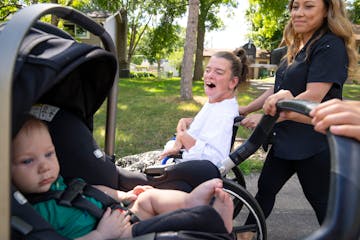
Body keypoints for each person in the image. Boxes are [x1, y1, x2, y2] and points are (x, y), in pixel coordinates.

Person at [238, 0, 358, 239]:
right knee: (265, 191)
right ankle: (246, 235)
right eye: (295, 6)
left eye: (308, 6)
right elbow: (277, 89)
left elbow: (312, 98)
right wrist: (247, 109)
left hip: (313, 143)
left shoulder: (329, 45)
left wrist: (266, 118)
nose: (298, 13)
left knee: (323, 205)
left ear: (326, 11)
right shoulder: (297, 45)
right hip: (284, 140)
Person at [11, 117, 234, 240]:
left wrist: (123, 194)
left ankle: (189, 202)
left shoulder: (59, 181)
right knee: (155, 227)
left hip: (115, 216)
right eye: (27, 161)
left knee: (148, 198)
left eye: (49, 154)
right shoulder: (30, 213)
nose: (43, 167)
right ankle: (211, 221)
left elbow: (89, 188)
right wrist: (101, 234)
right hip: (111, 235)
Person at [160, 48, 249, 167]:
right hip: (181, 163)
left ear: (232, 82)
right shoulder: (216, 103)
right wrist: (187, 121)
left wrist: (182, 136)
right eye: (207, 70)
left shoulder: (223, 114)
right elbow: (207, 125)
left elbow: (214, 160)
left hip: (187, 173)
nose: (210, 75)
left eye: (218, 72)